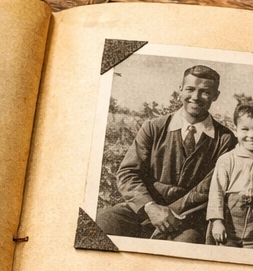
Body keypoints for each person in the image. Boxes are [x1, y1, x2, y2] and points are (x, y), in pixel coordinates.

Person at [94, 65, 236, 243]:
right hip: (144, 208)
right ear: (180, 90)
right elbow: (128, 173)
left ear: (216, 95)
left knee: (183, 247)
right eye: (190, 89)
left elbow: (208, 189)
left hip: (187, 218)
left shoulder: (225, 140)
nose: (196, 97)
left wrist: (169, 214)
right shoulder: (153, 127)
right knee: (105, 222)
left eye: (205, 92)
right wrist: (150, 207)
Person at [207, 103, 253, 249]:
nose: (251, 135)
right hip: (229, 226)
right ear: (235, 130)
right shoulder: (227, 159)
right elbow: (216, 192)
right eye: (245, 129)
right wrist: (217, 221)